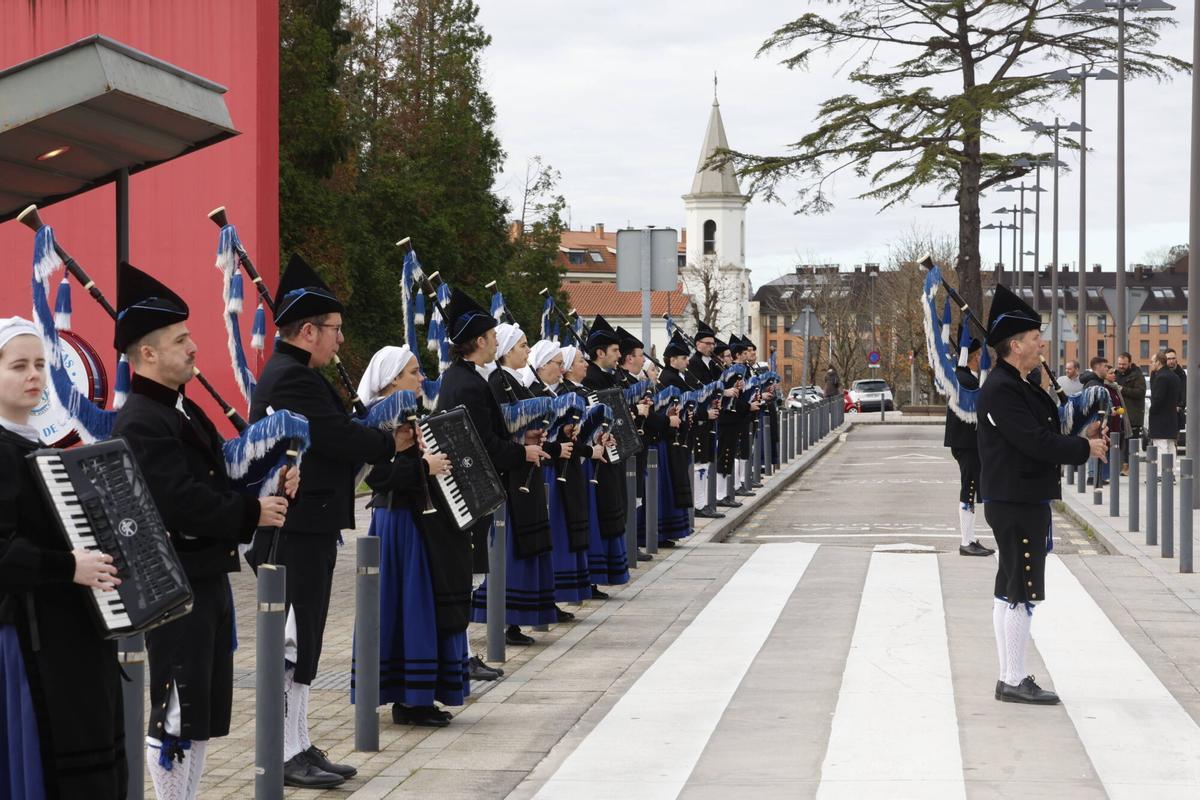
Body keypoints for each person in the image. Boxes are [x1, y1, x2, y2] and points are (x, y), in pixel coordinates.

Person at [110, 263, 296, 799]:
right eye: (180, 339)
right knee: (175, 708)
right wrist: (249, 515)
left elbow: (217, 477)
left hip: (205, 576)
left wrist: (270, 486)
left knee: (201, 713)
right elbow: (181, 503)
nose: (193, 346)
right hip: (173, 584)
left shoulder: (183, 409)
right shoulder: (143, 421)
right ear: (147, 354)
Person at [248, 254, 397, 788]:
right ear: (307, 330)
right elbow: (337, 436)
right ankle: (285, 751)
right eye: (334, 330)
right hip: (295, 529)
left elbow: (338, 428)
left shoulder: (300, 374)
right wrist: (388, 441)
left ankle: (300, 741)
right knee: (293, 639)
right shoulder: (292, 380)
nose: (339, 339)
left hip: (312, 525)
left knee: (306, 638)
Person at [0, 317, 127, 800]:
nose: (33, 374)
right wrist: (68, 567)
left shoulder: (40, 444)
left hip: (70, 637)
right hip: (31, 643)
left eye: (39, 364)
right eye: (18, 366)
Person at [977, 285, 1105, 705]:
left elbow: (1048, 430)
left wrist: (1081, 431)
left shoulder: (1019, 384)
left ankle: (1009, 675)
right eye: (1035, 337)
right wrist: (1086, 449)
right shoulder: (1001, 388)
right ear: (1016, 345)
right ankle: (1013, 678)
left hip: (1022, 496)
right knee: (1021, 588)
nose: (1042, 343)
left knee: (1009, 585)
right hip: (1015, 499)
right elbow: (1034, 441)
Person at [353, 345, 468, 728]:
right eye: (414, 373)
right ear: (392, 381)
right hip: (399, 522)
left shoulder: (412, 416)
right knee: (409, 605)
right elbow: (377, 477)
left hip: (421, 521)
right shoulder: (375, 421)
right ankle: (408, 698)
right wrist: (425, 465)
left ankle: (422, 695)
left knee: (425, 603)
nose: (422, 379)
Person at [435, 290, 538, 673]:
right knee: (467, 576)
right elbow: (482, 444)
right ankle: (460, 657)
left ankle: (460, 656)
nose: (497, 341)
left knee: (469, 574)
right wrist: (520, 454)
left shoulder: (468, 379)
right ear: (479, 341)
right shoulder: (467, 384)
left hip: (471, 488)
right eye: (493, 336)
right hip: (469, 489)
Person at [479, 323, 560, 644]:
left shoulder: (511, 380)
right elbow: (502, 425)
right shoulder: (499, 381)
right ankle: (508, 618)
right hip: (512, 476)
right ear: (508, 351)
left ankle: (519, 616)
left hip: (524, 470)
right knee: (512, 546)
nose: (528, 350)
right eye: (523, 345)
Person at [526, 340, 591, 606]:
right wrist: (557, 445)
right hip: (544, 473)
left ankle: (558, 594)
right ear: (541, 366)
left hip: (560, 471)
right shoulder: (531, 392)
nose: (561, 369)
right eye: (557, 364)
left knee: (563, 533)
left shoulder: (557, 393)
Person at [560, 343, 629, 592]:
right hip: (582, 465)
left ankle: (595, 575)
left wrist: (603, 435)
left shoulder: (585, 390)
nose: (585, 364)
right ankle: (587, 577)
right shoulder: (565, 393)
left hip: (594, 462)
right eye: (580, 361)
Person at [582, 317, 640, 559]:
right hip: (601, 459)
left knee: (618, 506)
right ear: (600, 352)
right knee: (605, 511)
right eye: (615, 350)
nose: (619, 355)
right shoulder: (592, 379)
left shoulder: (611, 376)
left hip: (615, 453)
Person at [943, 325, 995, 557]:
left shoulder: (966, 377)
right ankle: (966, 541)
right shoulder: (966, 380)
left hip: (967, 443)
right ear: (975, 357)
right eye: (981, 356)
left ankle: (971, 537)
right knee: (969, 489)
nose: (984, 360)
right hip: (967, 443)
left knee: (971, 490)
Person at [686, 322, 725, 517]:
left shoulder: (713, 364)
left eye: (713, 344)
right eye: (708, 343)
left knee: (708, 461)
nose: (711, 347)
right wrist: (705, 411)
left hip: (711, 418)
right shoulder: (693, 364)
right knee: (700, 462)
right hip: (700, 419)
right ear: (698, 343)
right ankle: (699, 505)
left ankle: (704, 502)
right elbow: (695, 394)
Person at [1080, 357, 1121, 486]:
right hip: (1094, 420)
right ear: (1097, 367)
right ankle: (1093, 475)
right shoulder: (1093, 383)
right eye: (1104, 366)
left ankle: (1096, 475)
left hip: (1097, 419)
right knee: (1095, 444)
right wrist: (1107, 411)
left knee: (1098, 444)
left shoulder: (1096, 382)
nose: (1107, 369)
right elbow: (1093, 404)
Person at [1113, 352, 1146, 472]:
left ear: (1130, 363)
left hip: (1132, 415)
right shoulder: (1115, 374)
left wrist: (1122, 389)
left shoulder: (1137, 375)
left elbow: (1140, 393)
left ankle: (1129, 466)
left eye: (1124, 364)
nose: (1121, 366)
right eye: (1119, 364)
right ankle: (1121, 465)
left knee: (1131, 442)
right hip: (1119, 413)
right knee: (1119, 441)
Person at [1149, 351, 1182, 456]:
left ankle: (1161, 472)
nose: (1151, 364)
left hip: (1160, 419)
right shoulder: (1174, 376)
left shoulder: (1161, 377)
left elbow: (1158, 399)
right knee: (1171, 446)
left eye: (1153, 362)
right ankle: (1170, 471)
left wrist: (1151, 410)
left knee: (1161, 447)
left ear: (1158, 362)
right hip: (1171, 417)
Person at [1165, 347, 1186, 442]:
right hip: (1163, 412)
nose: (1171, 361)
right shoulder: (1159, 373)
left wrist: (1180, 406)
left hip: (1176, 412)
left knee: (1174, 442)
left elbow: (1184, 392)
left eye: (1173, 358)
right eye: (1169, 359)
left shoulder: (1181, 374)